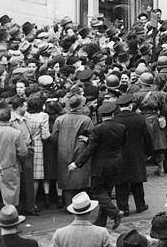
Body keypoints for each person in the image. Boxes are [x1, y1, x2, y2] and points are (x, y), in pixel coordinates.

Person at [69, 102, 126, 230]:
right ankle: (101, 221)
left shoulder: (97, 129)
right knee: (106, 192)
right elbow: (122, 143)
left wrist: (77, 163)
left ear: (101, 115)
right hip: (116, 163)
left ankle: (115, 212)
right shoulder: (121, 127)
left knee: (96, 190)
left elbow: (90, 150)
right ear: (112, 114)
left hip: (100, 165)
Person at [114, 93, 153, 214]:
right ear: (130, 105)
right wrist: (149, 152)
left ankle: (123, 207)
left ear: (119, 106)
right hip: (137, 152)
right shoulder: (140, 118)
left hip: (119, 154)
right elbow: (147, 136)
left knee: (120, 182)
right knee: (137, 181)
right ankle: (140, 205)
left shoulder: (114, 120)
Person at [0, 107, 27, 211]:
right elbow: (23, 152)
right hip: (11, 167)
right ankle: (10, 217)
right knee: (11, 196)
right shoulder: (16, 133)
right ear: (9, 119)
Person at [51, 94, 92, 205]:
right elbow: (93, 137)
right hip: (81, 150)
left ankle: (68, 205)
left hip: (63, 151)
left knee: (66, 180)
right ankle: (82, 205)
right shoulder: (86, 119)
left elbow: (54, 137)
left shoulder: (60, 119)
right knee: (81, 179)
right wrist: (86, 139)